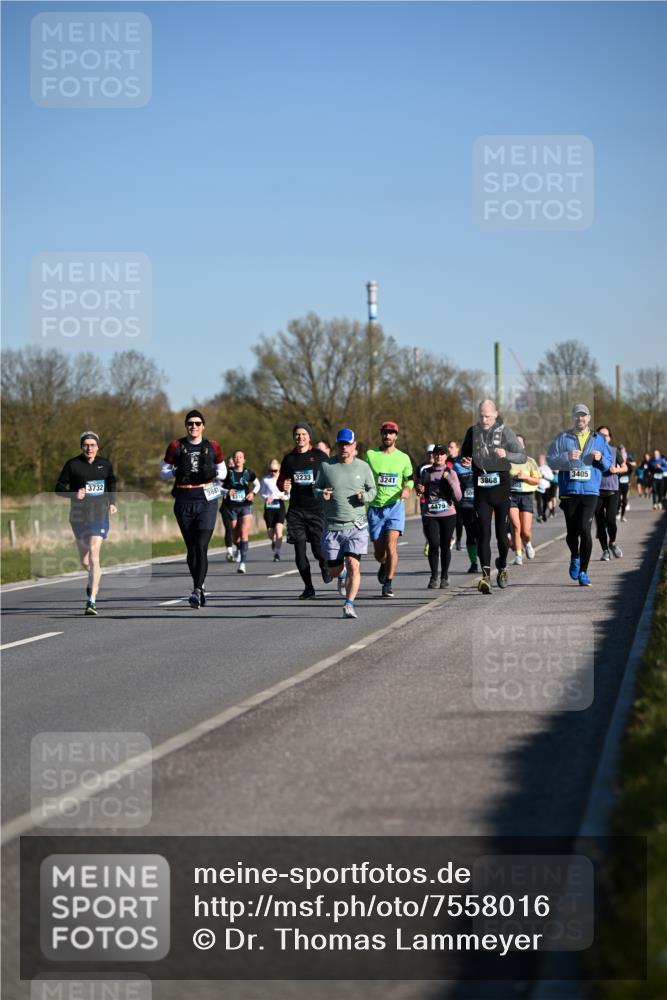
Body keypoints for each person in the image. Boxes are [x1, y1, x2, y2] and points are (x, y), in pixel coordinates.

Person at [161, 410, 226, 609]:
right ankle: (199, 584)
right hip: (184, 498)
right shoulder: (176, 445)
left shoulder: (212, 446)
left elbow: (223, 472)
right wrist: (176, 470)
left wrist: (211, 471)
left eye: (198, 423)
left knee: (201, 545)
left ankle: (196, 590)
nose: (194, 426)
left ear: (203, 426)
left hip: (206, 500)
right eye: (190, 423)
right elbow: (163, 471)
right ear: (186, 426)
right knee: (191, 549)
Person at [460, 400, 526, 594]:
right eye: (481, 416)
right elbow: (464, 455)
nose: (484, 419)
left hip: (501, 489)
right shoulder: (472, 432)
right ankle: (485, 576)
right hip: (482, 490)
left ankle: (502, 566)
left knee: (502, 537)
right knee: (483, 534)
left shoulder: (506, 432)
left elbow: (522, 456)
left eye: (487, 416)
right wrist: (465, 460)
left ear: (496, 414)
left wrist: (506, 453)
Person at [547, 404, 612, 587]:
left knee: (585, 529)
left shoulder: (599, 439)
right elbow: (551, 461)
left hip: (590, 491)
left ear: (589, 418)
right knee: (572, 533)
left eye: (583, 416)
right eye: (577, 416)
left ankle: (583, 571)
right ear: (573, 418)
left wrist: (600, 459)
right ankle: (575, 555)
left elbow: (608, 466)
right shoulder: (562, 437)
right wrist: (566, 456)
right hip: (569, 490)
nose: (580, 419)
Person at [314, 428, 377, 618]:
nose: (344, 448)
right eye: (341, 444)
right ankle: (340, 576)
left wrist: (364, 496)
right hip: (333, 526)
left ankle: (349, 604)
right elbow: (316, 488)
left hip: (357, 525)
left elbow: (373, 491)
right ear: (337, 445)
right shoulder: (326, 466)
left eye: (348, 444)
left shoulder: (363, 467)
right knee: (334, 570)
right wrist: (322, 494)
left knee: (353, 564)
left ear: (354, 445)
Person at [55, 432, 118, 615]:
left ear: (98, 447)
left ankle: (92, 600)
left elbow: (111, 483)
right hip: (78, 516)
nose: (89, 448)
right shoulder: (72, 464)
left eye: (93, 445)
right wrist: (74, 494)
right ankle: (94, 575)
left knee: (93, 553)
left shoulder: (105, 464)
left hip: (99, 515)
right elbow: (58, 488)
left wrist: (112, 502)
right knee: (84, 561)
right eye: (86, 445)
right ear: (81, 446)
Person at [277, 423, 332, 599]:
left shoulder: (320, 456)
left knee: (318, 550)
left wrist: (325, 487)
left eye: (303, 434)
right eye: (297, 434)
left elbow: (331, 478)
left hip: (316, 509)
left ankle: (325, 565)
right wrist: (283, 485)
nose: (300, 437)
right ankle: (309, 588)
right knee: (299, 553)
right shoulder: (289, 459)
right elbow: (281, 481)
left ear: (309, 436)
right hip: (296, 511)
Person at [364, 420, 414, 598]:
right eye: (385, 432)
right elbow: (363, 477)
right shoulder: (370, 455)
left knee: (392, 545)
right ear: (381, 434)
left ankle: (388, 583)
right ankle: (384, 564)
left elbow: (410, 479)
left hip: (395, 506)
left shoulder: (403, 458)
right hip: (375, 508)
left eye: (391, 433)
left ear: (396, 436)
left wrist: (407, 489)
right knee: (379, 553)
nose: (387, 436)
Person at [415, 444, 462, 588]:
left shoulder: (451, 473)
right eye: (436, 453)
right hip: (430, 514)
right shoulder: (426, 472)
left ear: (446, 456)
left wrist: (449, 480)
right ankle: (434, 576)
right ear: (433, 455)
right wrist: (419, 489)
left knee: (445, 546)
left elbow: (458, 496)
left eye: (442, 454)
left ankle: (444, 577)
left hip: (448, 514)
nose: (439, 456)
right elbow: (420, 491)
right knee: (434, 544)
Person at [221, 450, 259, 574]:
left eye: (240, 457)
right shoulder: (227, 473)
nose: (238, 459)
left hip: (245, 506)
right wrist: (226, 491)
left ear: (244, 460)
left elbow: (257, 484)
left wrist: (253, 493)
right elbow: (217, 486)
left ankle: (242, 563)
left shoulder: (248, 473)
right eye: (236, 457)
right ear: (233, 459)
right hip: (231, 507)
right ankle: (239, 548)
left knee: (243, 533)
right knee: (235, 536)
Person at [508, 435, 541, 565]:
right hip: (511, 496)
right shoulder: (506, 462)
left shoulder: (530, 461)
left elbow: (537, 481)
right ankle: (518, 555)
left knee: (525, 531)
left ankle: (527, 543)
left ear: (523, 446)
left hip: (526, 496)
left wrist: (526, 477)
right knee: (516, 526)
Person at [594, 426, 625, 561]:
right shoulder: (592, 452)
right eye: (600, 435)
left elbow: (625, 467)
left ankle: (612, 542)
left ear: (609, 438)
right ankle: (605, 550)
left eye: (605, 435)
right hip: (596, 491)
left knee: (611, 520)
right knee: (600, 523)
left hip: (612, 490)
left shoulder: (614, 451)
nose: (602, 438)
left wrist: (616, 470)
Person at [450, 449, 479, 573]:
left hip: (480, 505)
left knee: (482, 534)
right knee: (470, 534)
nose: (466, 460)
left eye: (469, 457)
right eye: (464, 457)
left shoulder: (479, 465)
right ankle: (474, 562)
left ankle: (483, 557)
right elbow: (452, 484)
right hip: (465, 506)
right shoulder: (457, 467)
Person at [260, 459, 288, 562]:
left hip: (280, 505)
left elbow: (289, 493)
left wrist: (285, 497)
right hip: (269, 506)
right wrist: (266, 497)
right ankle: (273, 540)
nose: (273, 473)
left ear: (279, 469)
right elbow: (261, 493)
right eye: (271, 470)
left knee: (278, 529)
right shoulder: (265, 480)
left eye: (275, 470)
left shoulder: (284, 479)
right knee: (270, 533)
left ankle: (277, 554)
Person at [446, 441, 465, 550]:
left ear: (457, 449)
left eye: (451, 447)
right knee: (449, 518)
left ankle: (458, 541)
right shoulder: (445, 460)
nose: (449, 449)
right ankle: (451, 538)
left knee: (459, 520)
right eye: (448, 447)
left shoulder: (461, 460)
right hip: (448, 493)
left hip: (460, 492)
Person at [617, 445, 634, 521]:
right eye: (622, 457)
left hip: (625, 485)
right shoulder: (618, 465)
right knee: (618, 501)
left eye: (624, 457)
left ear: (626, 457)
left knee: (624, 501)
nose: (623, 458)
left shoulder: (629, 465)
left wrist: (629, 481)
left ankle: (622, 516)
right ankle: (617, 513)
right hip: (618, 485)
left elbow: (630, 473)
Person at [535, 454, 553, 522]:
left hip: (546, 488)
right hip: (537, 488)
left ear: (544, 461)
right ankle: (540, 515)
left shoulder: (547, 468)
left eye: (541, 460)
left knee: (545, 502)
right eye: (538, 460)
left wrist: (544, 476)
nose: (540, 461)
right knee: (539, 502)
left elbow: (551, 477)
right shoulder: (535, 467)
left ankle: (543, 514)